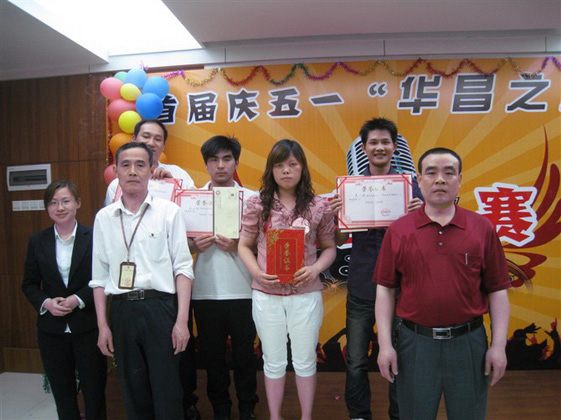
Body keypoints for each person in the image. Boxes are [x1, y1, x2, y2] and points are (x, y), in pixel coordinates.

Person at [374, 147, 511, 419]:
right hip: (415, 344)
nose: (439, 179)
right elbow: (385, 290)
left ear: (459, 179)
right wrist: (385, 345)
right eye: (431, 173)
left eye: (448, 173)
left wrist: (498, 346)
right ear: (419, 180)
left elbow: (497, 291)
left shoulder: (481, 228)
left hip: (468, 343)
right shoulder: (399, 230)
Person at [90, 142, 194, 419]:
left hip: (160, 309)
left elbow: (183, 268)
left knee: (167, 389)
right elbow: (98, 277)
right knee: (133, 389)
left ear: (151, 170)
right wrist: (103, 326)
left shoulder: (169, 212)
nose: (133, 171)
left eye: (140, 165)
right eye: (125, 165)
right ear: (116, 171)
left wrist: (181, 322)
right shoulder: (104, 218)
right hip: (122, 310)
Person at [330, 118, 423, 420]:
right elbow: (339, 240)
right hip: (362, 286)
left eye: (385, 142)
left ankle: (399, 414)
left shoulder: (412, 188)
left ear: (395, 146)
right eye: (373, 142)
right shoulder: (351, 188)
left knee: (401, 359)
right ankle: (359, 415)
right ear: (364, 147)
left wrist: (420, 214)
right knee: (356, 360)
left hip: (401, 288)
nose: (379, 147)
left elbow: (427, 236)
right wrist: (339, 216)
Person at [238, 139, 336, 420]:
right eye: (279, 165)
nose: (286, 171)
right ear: (271, 169)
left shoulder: (318, 205)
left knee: (305, 360)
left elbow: (330, 248)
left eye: (292, 164)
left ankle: (306, 416)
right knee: (273, 361)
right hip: (266, 293)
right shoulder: (258, 204)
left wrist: (315, 269)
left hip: (305, 293)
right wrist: (257, 273)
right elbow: (243, 245)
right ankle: (275, 416)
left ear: (302, 167)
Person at [22, 180, 107, 420]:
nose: (60, 207)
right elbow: (29, 283)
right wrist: (47, 303)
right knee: (62, 392)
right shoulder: (37, 240)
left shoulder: (94, 237)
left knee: (94, 390)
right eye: (53, 203)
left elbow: (103, 277)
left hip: (88, 326)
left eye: (66, 201)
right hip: (52, 330)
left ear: (77, 203)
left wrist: (78, 299)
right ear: (47, 207)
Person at [190, 135, 259, 420]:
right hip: (205, 292)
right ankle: (221, 410)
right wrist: (193, 246)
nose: (220, 165)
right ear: (206, 164)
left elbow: (268, 244)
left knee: (245, 357)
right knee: (213, 360)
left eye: (227, 159)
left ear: (236, 162)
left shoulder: (253, 199)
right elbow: (175, 245)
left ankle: (248, 409)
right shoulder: (192, 199)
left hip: (245, 291)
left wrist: (240, 246)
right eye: (214, 160)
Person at [105, 119, 196, 204]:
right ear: (134, 140)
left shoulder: (179, 174)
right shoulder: (117, 185)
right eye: (146, 136)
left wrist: (172, 185)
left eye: (158, 139)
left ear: (163, 146)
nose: (151, 143)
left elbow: (195, 206)